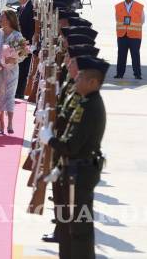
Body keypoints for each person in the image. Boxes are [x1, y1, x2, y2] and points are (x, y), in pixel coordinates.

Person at [39, 56, 109, 259]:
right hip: (73, 169)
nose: (76, 80)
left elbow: (72, 146)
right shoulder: (85, 102)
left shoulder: (91, 107)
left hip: (80, 173)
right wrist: (60, 167)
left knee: (79, 230)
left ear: (93, 82)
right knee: (68, 228)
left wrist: (51, 140)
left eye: (80, 78)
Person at [0, 9, 25, 134]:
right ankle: (1, 124)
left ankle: (10, 123)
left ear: (9, 20)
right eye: (0, 17)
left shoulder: (17, 35)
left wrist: (14, 59)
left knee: (10, 95)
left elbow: (23, 53)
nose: (0, 19)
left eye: (2, 17)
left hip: (11, 70)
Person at [114, 0, 145, 79]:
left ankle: (137, 74)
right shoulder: (118, 6)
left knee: (135, 55)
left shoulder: (139, 6)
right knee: (121, 55)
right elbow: (117, 18)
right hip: (122, 35)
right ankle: (119, 74)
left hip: (135, 36)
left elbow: (142, 20)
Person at [15, 0, 34, 98]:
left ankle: (20, 92)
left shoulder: (31, 7)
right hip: (20, 42)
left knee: (23, 69)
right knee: (19, 67)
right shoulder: (21, 8)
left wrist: (28, 42)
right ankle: (17, 91)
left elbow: (31, 27)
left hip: (26, 43)